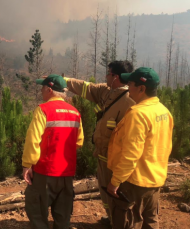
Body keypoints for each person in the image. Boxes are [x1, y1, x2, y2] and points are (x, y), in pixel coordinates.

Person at [62, 60, 135, 225]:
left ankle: (121, 223)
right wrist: (64, 81)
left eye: (108, 73)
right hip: (102, 157)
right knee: (105, 193)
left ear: (115, 77)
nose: (106, 76)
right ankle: (111, 219)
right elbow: (86, 87)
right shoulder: (107, 91)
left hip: (115, 162)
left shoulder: (130, 101)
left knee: (117, 196)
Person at [107, 67, 173, 229]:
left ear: (141, 88)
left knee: (128, 222)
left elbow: (130, 155)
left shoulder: (138, 114)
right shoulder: (164, 111)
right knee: (150, 221)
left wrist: (115, 182)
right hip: (154, 180)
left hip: (134, 183)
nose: (128, 87)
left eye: (130, 83)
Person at [22, 74, 84, 229]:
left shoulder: (43, 110)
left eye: (42, 88)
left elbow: (33, 140)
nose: (41, 91)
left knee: (37, 211)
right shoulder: (75, 113)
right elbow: (79, 142)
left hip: (45, 171)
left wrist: (27, 165)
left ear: (49, 89)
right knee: (63, 216)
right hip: (67, 172)